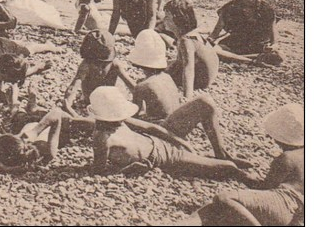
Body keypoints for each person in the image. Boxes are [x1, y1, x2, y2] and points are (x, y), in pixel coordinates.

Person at [128, 30, 248, 167]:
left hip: (163, 131)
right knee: (205, 102)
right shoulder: (167, 77)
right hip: (176, 122)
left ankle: (221, 156)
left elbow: (136, 118)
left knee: (204, 102)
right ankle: (220, 152)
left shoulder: (142, 86)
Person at [176, 103, 303, 226]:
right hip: (296, 211)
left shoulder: (286, 158)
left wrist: (236, 173)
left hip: (283, 207)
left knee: (224, 199)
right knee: (214, 211)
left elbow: (264, 189)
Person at [87, 86, 250, 181]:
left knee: (204, 103)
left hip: (159, 139)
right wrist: (130, 169)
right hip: (164, 158)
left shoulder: (119, 120)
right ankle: (250, 180)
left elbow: (151, 129)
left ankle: (221, 153)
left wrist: (179, 140)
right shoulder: (102, 138)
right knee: (228, 168)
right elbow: (100, 171)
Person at [209, 0, 281, 65]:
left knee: (279, 56)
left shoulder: (267, 10)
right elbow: (215, 33)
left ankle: (236, 58)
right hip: (234, 45)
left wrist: (273, 46)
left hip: (258, 47)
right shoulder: (230, 7)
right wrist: (209, 41)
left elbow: (274, 39)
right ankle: (250, 61)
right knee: (216, 49)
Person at [64, 30, 135, 117]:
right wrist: (68, 104)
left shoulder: (114, 64)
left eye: (104, 63)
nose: (101, 66)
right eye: (98, 63)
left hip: (110, 100)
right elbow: (74, 86)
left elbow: (131, 84)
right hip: (92, 102)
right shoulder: (86, 65)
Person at [164, 0, 219, 98]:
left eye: (167, 17)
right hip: (209, 76)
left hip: (200, 80)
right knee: (167, 64)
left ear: (177, 20)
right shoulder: (193, 33)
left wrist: (187, 97)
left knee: (159, 73)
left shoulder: (186, 40)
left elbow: (188, 69)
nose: (164, 20)